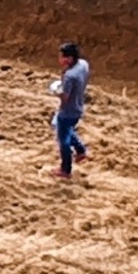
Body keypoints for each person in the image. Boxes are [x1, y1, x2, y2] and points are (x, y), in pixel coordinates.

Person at [51, 41, 89, 180]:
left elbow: (65, 97)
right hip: (79, 106)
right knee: (62, 127)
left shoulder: (69, 76)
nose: (59, 59)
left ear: (69, 59)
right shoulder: (83, 65)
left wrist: (56, 91)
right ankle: (81, 150)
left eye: (62, 57)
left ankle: (65, 169)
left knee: (63, 140)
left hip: (68, 111)